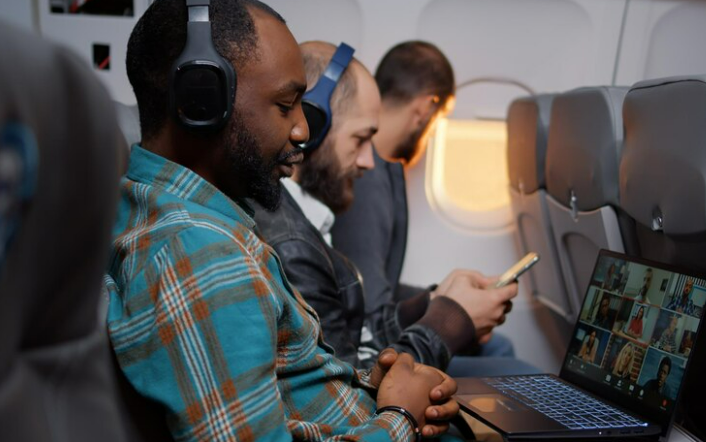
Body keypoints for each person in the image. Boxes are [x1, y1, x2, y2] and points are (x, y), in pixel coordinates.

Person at [106, 2, 460, 441]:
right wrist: (400, 416)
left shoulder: (186, 213)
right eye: (286, 105)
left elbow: (281, 390)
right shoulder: (201, 253)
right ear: (202, 99)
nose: (302, 132)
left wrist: (375, 386)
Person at [252, 41, 530, 377]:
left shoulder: (307, 219)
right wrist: (451, 320)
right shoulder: (293, 247)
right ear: (311, 128)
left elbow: (359, 335)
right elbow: (357, 388)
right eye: (360, 139)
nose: (370, 161)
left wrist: (432, 303)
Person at [330, 40, 515, 363]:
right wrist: (451, 311)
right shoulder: (365, 178)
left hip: (388, 329)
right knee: (504, 356)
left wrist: (441, 295)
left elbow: (378, 284)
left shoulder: (382, 168)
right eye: (435, 121)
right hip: (378, 347)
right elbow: (372, 310)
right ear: (424, 109)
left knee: (499, 347)